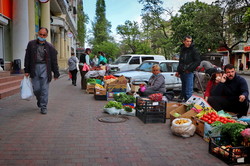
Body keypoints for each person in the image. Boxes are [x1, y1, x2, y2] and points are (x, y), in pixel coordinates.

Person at [24, 27, 60, 114]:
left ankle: (43, 106)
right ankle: (39, 100)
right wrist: (26, 70)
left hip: (45, 68)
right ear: (38, 34)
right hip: (34, 67)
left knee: (44, 89)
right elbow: (27, 57)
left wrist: (56, 73)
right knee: (36, 89)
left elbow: (54, 61)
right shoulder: (31, 44)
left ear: (46, 36)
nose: (42, 36)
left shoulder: (50, 47)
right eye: (40, 34)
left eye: (44, 35)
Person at [175, 36, 200, 101]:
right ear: (184, 41)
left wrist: (189, 69)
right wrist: (178, 71)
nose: (189, 43)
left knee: (188, 91)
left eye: (190, 41)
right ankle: (185, 103)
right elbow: (181, 61)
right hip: (183, 71)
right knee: (184, 89)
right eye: (187, 41)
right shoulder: (182, 50)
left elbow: (197, 61)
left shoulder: (194, 50)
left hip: (189, 72)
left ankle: (190, 106)